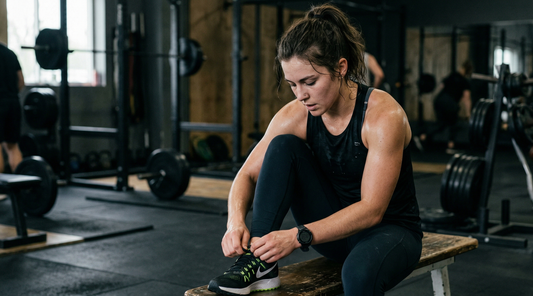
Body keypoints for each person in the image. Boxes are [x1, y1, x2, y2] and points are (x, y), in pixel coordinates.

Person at [208, 4, 422, 296]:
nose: (301, 95)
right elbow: (245, 175)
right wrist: (235, 223)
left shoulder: (383, 116)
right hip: (332, 234)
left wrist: (298, 236)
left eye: (310, 82)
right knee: (283, 146)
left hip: (389, 233)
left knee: (358, 275)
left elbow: (373, 210)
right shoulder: (295, 115)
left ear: (341, 68)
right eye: (293, 84)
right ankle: (260, 264)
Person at [414, 61, 472, 153]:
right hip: (450, 102)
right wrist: (468, 113)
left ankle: (422, 136)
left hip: (439, 100)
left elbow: (441, 86)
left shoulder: (452, 76)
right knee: (453, 123)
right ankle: (450, 146)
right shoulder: (465, 82)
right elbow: (466, 98)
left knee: (441, 123)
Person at [0, 43, 25, 190]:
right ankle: (21, 190)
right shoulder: (10, 54)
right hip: (14, 103)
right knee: (13, 146)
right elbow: (21, 81)